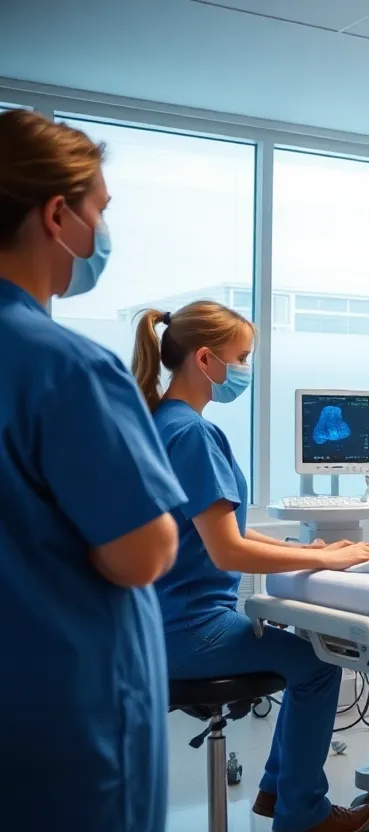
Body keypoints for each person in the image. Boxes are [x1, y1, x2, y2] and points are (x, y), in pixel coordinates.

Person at [130, 300, 369, 832]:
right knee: (318, 665)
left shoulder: (161, 422)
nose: (245, 368)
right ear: (205, 359)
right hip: (191, 628)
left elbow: (215, 532)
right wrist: (331, 556)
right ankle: (302, 813)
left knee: (301, 649)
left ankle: (278, 793)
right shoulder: (194, 435)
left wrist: (313, 553)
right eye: (241, 357)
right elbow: (227, 552)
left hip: (158, 624)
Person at [0, 110, 188, 831]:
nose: (103, 232)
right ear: (57, 214)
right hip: (64, 722)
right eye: (99, 210)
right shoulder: (66, 367)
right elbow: (143, 553)